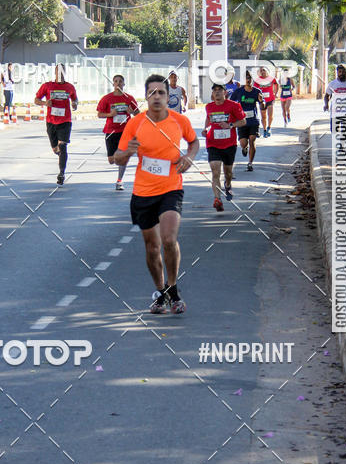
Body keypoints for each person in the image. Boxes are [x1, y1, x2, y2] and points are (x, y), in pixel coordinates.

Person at [114, 74, 199, 314]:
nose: (157, 97)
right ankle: (161, 291)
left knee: (169, 240)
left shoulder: (179, 121)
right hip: (143, 192)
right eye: (152, 93)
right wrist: (127, 152)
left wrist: (189, 157)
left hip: (171, 188)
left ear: (168, 96)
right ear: (146, 97)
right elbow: (116, 158)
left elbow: (194, 143)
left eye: (161, 93)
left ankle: (173, 287)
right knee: (152, 247)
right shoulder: (135, 124)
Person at [202, 84, 246, 210]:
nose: (217, 93)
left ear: (225, 93)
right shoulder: (209, 107)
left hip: (229, 144)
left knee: (228, 172)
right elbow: (208, 119)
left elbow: (243, 121)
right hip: (213, 143)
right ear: (212, 94)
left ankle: (228, 184)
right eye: (214, 90)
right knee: (215, 171)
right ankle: (217, 199)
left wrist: (230, 125)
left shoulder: (234, 105)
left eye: (219, 90)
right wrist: (205, 129)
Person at [35, 64, 78, 185]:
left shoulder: (70, 87)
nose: (60, 73)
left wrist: (74, 104)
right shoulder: (47, 86)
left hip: (65, 121)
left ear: (65, 73)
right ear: (55, 73)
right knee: (56, 149)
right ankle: (61, 157)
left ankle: (61, 173)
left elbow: (75, 99)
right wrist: (45, 103)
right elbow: (36, 100)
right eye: (58, 71)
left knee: (63, 146)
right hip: (51, 122)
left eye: (62, 71)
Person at [96, 74, 139, 189]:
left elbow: (138, 113)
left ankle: (119, 181)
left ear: (124, 84)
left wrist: (131, 112)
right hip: (111, 131)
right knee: (111, 160)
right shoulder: (107, 98)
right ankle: (117, 160)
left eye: (120, 81)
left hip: (125, 131)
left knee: (123, 157)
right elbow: (99, 114)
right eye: (116, 81)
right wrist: (110, 114)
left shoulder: (129, 98)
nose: (118, 83)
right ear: (113, 84)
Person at [230, 72, 264, 172]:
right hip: (242, 121)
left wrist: (261, 101)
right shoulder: (239, 91)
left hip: (253, 120)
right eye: (246, 78)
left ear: (253, 80)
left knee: (252, 139)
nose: (248, 80)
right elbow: (231, 103)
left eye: (250, 78)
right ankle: (244, 148)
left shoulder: (257, 91)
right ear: (243, 80)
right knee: (243, 143)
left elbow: (263, 107)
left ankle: (250, 163)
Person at [323, 64, 346, 130]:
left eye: (343, 72)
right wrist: (326, 105)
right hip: (334, 112)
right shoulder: (332, 84)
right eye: (339, 72)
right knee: (334, 132)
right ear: (337, 72)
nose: (341, 73)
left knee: (343, 133)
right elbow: (326, 96)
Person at [253, 66, 279, 137]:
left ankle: (269, 128)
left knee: (270, 115)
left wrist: (276, 93)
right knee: (263, 116)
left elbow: (277, 84)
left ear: (267, 71)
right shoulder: (257, 80)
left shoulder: (271, 79)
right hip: (262, 101)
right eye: (261, 71)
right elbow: (254, 89)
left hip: (270, 99)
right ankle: (264, 130)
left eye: (264, 70)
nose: (262, 72)